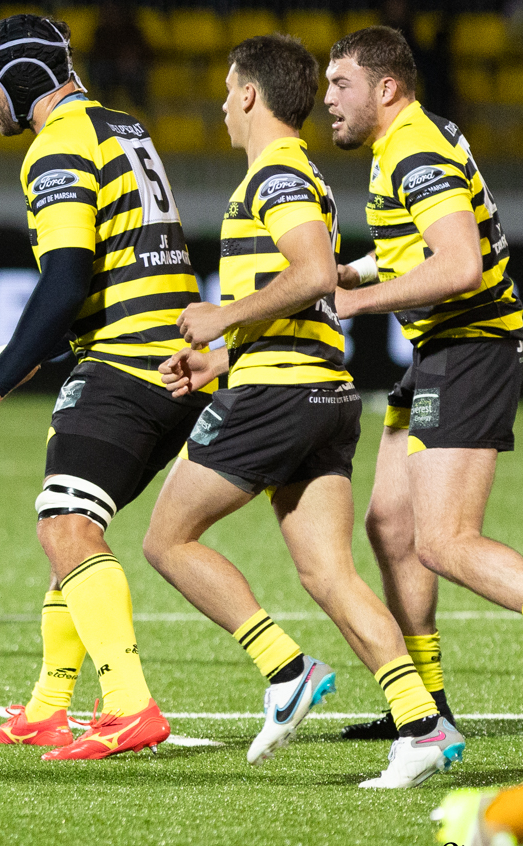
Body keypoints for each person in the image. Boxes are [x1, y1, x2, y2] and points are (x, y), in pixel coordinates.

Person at [141, 35, 462, 789]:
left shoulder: (277, 171)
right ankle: (423, 724)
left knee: (165, 538)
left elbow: (316, 272)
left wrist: (222, 317)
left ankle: (283, 667)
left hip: (279, 397)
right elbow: (306, 300)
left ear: (250, 96)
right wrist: (223, 358)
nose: (221, 104)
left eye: (227, 90)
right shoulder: (295, 172)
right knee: (329, 573)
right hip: (321, 392)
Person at [0, 15, 210, 760]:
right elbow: (113, 268)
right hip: (174, 362)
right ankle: (50, 706)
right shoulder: (121, 126)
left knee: (64, 526)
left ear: (24, 78)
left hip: (125, 366)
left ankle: (128, 704)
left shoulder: (56, 145)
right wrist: (18, 351)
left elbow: (64, 279)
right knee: (74, 527)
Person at [327, 27, 523, 741]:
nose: (327, 101)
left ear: (386, 87)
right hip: (440, 350)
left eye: (340, 85)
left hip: (470, 345)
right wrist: (363, 269)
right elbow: (431, 235)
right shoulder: (408, 140)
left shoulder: (412, 148)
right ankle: (426, 704)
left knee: (446, 540)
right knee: (391, 524)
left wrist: (352, 301)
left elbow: (460, 263)